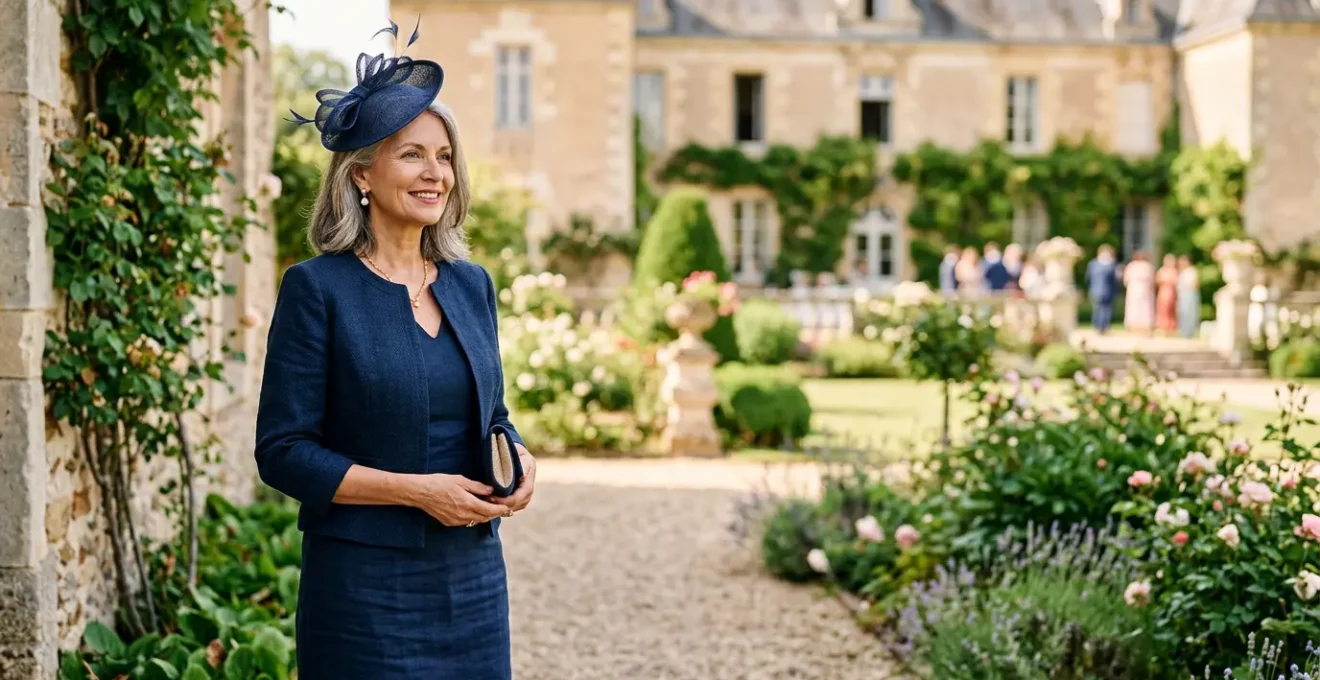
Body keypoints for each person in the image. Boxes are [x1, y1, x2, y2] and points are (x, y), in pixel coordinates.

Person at [261, 25, 536, 679]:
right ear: (362, 175)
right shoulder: (316, 289)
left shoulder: (472, 285)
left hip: (470, 577)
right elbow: (283, 454)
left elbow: (490, 412)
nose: (435, 174)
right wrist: (416, 493)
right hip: (362, 587)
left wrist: (517, 451)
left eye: (444, 157)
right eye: (412, 155)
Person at [1085, 245, 1120, 334]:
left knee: (1104, 309)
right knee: (1100, 309)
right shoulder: (1110, 265)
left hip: (1102, 290)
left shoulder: (1094, 264)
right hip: (1101, 290)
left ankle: (1101, 327)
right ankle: (1100, 327)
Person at [1123, 251, 1156, 334]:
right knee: (1142, 307)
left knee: (1136, 307)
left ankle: (1136, 326)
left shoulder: (1132, 266)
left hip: (1134, 289)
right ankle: (1140, 326)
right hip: (1142, 289)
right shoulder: (1147, 266)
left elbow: (1126, 280)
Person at [1155, 253, 1180, 334]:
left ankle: (1171, 328)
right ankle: (1162, 327)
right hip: (1164, 292)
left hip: (1172, 292)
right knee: (1162, 309)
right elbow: (1157, 281)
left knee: (1171, 310)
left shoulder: (1175, 271)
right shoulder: (1162, 270)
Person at [1176, 255, 1201, 338]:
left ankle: (1189, 332)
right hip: (1183, 295)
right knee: (1183, 313)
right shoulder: (1182, 272)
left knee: (1190, 313)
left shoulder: (1192, 271)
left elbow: (1195, 283)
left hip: (1189, 294)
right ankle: (1183, 332)